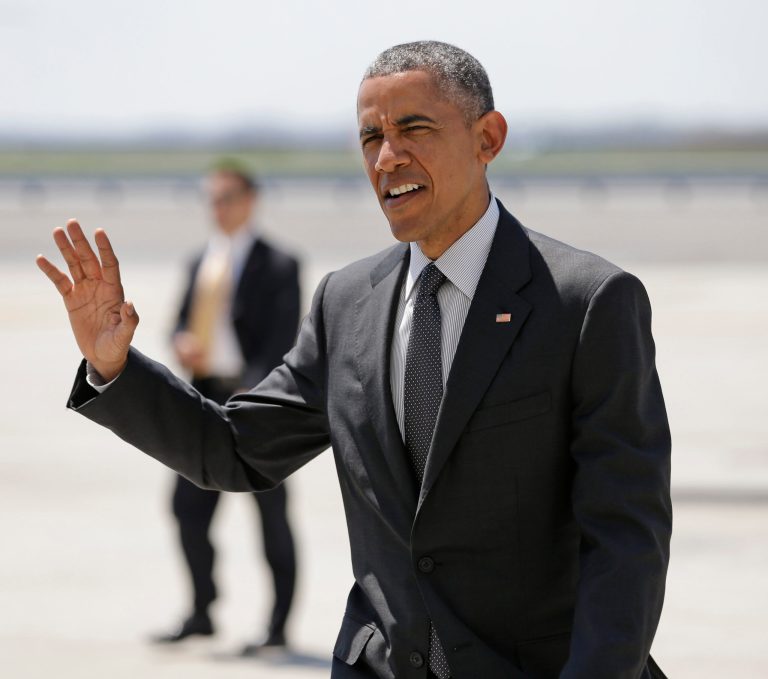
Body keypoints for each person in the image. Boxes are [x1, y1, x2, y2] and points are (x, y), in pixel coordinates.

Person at [37, 41, 671, 679]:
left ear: (488, 138)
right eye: (370, 137)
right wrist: (114, 369)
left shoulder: (586, 302)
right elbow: (234, 450)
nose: (387, 157)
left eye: (414, 128)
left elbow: (625, 537)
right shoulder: (347, 302)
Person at [149, 161, 300, 652]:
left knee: (271, 516)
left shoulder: (280, 263)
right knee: (186, 509)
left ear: (250, 200)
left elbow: (281, 343)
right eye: (211, 198)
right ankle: (201, 610)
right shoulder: (200, 261)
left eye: (227, 197)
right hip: (204, 395)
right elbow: (178, 321)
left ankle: (278, 626)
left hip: (256, 404)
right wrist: (181, 341)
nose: (218, 207)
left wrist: (250, 405)